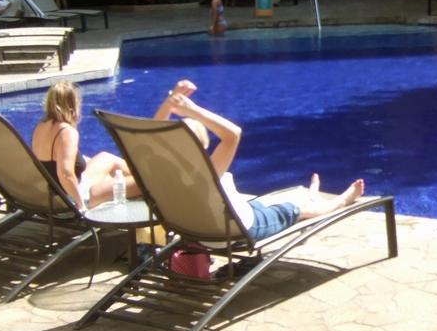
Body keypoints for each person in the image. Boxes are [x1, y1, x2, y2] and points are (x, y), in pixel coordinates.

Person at [153, 80, 365, 241]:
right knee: (299, 208)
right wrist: (193, 111)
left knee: (271, 202)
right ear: (202, 145)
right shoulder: (205, 172)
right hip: (238, 229)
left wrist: (170, 102)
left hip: (200, 231)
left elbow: (152, 133)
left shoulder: (160, 167)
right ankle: (342, 200)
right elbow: (233, 134)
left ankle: (311, 195)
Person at [31, 81, 136, 211]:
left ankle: (140, 174)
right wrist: (80, 205)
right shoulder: (67, 132)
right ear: (72, 105)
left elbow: (51, 163)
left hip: (53, 194)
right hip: (75, 196)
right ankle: (144, 178)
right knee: (143, 184)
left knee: (106, 157)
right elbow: (65, 174)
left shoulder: (40, 127)